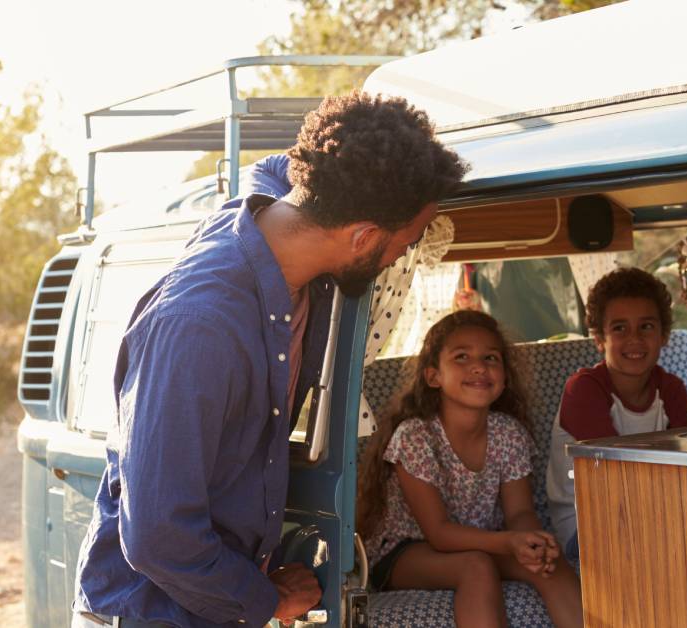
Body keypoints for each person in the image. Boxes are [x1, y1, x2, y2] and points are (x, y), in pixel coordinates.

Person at [72, 92, 468, 628]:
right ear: (363, 237)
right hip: (154, 613)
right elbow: (157, 535)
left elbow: (280, 166)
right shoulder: (199, 325)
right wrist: (267, 601)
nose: (405, 254)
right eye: (408, 242)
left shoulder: (289, 206)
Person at [357, 310, 584, 628]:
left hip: (487, 541)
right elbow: (438, 533)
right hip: (406, 552)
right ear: (434, 376)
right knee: (475, 567)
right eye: (461, 357)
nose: (479, 366)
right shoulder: (415, 437)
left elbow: (519, 513)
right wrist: (509, 542)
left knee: (548, 563)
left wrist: (531, 541)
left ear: (505, 377)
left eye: (491, 358)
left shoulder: (509, 433)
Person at [546, 267, 687, 561]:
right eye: (619, 328)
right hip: (586, 526)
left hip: (653, 514)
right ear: (598, 339)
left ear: (664, 335)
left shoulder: (670, 388)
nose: (634, 339)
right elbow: (613, 479)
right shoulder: (585, 390)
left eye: (646, 327)